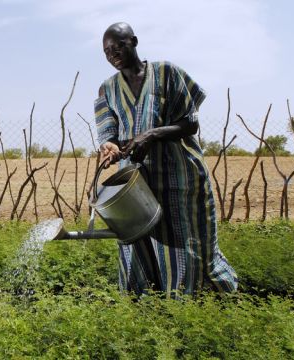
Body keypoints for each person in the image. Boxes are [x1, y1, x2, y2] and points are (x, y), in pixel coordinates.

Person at [94, 22, 238, 297]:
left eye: (119, 46)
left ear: (134, 42)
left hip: (180, 176)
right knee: (138, 242)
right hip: (136, 184)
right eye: (107, 51)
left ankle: (195, 304)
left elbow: (190, 124)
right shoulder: (107, 90)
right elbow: (109, 135)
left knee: (188, 242)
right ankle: (148, 307)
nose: (113, 54)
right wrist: (110, 147)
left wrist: (151, 135)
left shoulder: (166, 73)